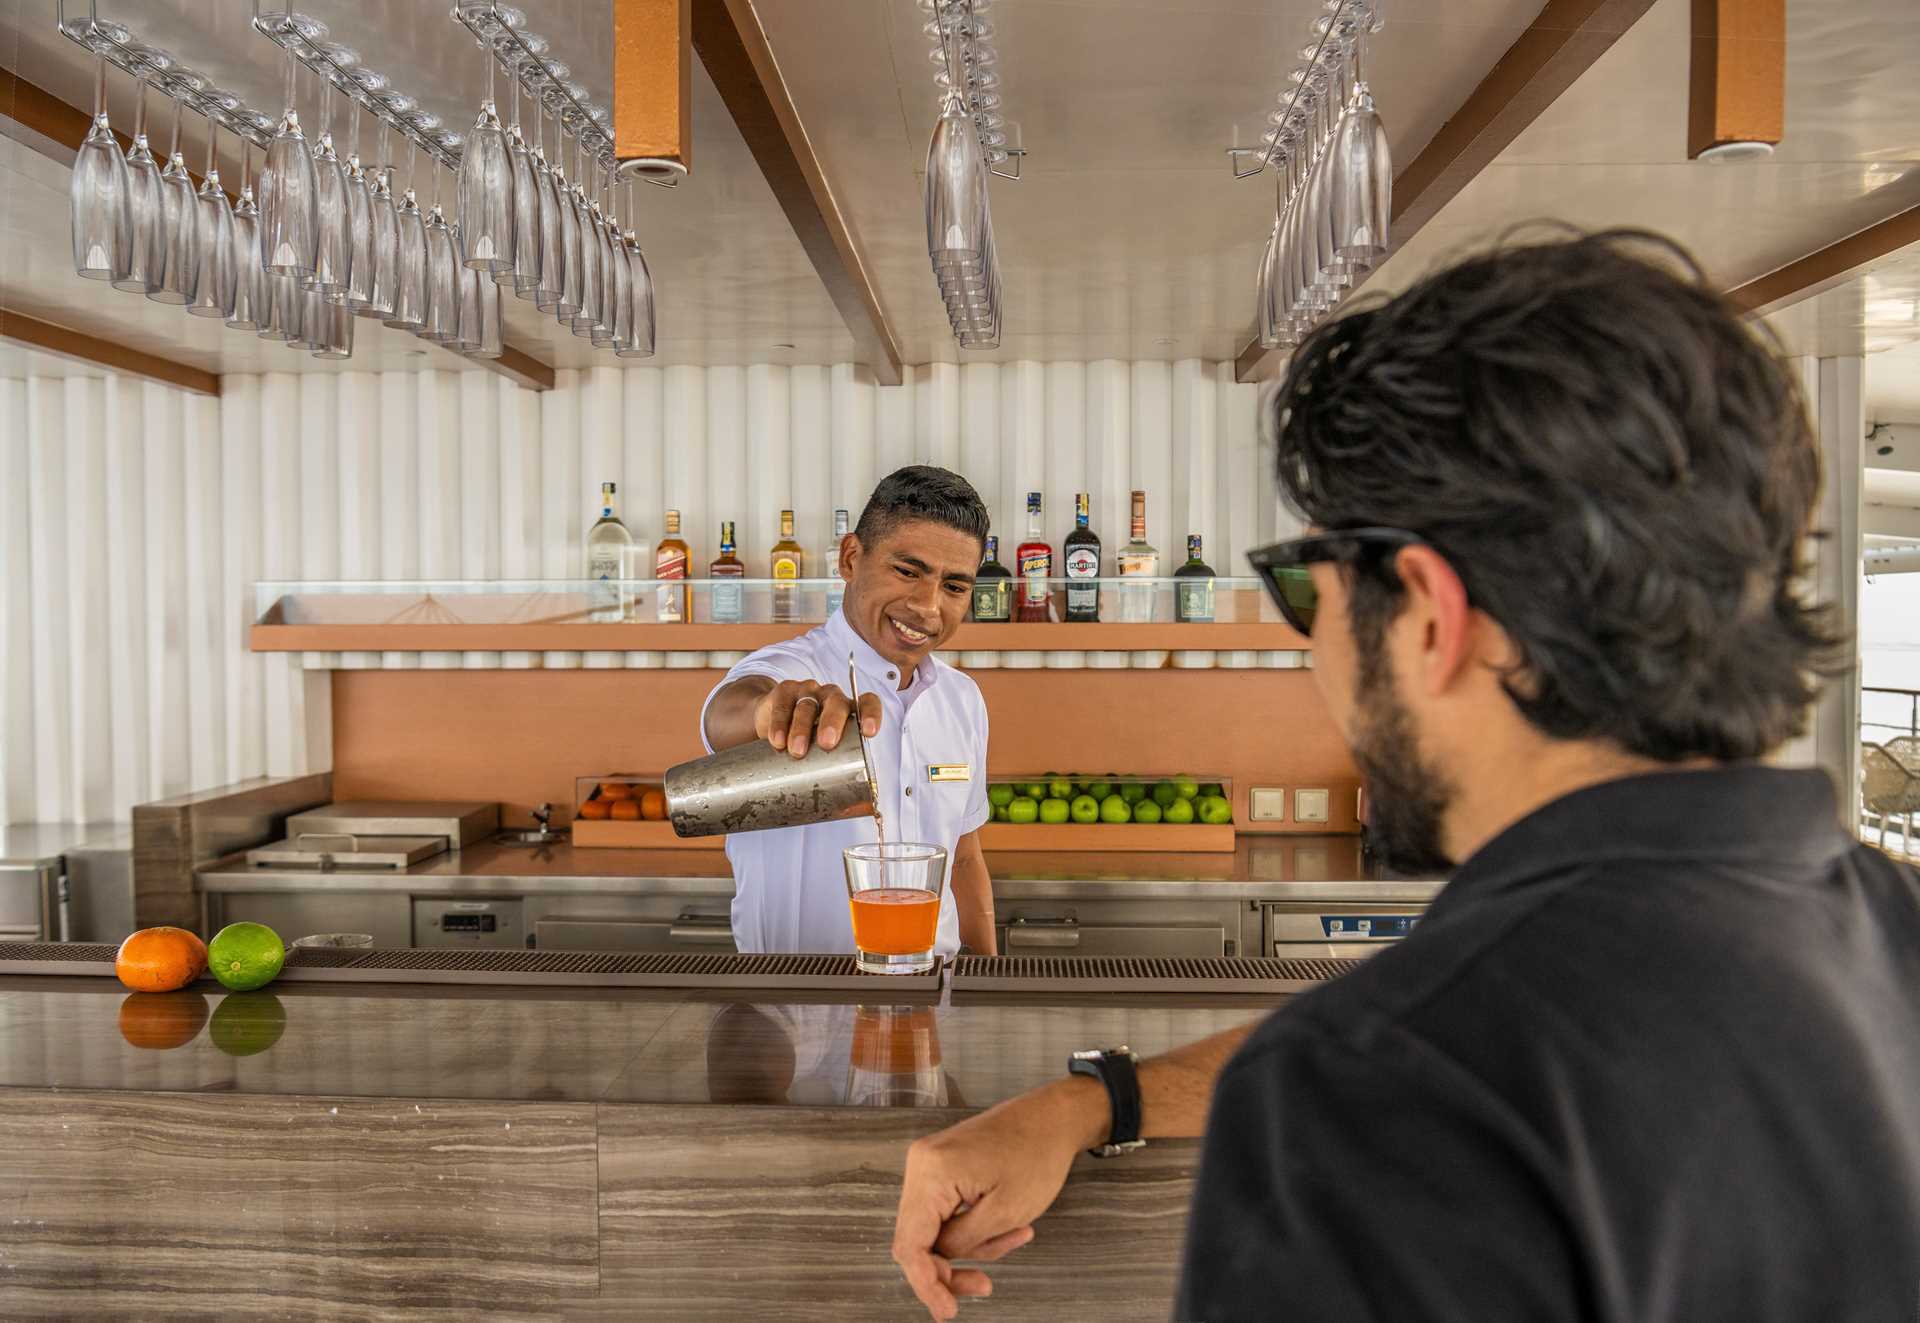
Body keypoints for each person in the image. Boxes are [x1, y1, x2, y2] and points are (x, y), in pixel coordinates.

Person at [890, 230, 1920, 1321]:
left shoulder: (1363, 1095)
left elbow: (1443, 1050)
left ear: (1431, 612)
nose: (1311, 646)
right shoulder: (1883, 923)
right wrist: (1106, 1098)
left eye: (1308, 587)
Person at [702, 466, 997, 957]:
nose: (928, 608)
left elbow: (964, 858)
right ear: (851, 558)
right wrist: (771, 712)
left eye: (955, 587)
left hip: (931, 1001)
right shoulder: (788, 668)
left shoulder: (962, 698)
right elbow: (729, 712)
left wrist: (990, 981)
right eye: (908, 571)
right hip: (791, 1005)